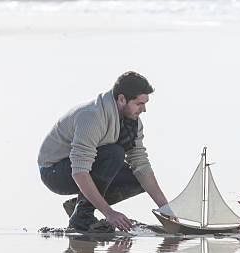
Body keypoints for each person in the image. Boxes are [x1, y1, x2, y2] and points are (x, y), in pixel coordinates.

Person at [38, 71, 173, 232]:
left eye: (145, 103)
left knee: (138, 179)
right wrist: (109, 213)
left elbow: (141, 165)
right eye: (139, 103)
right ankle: (82, 216)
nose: (144, 110)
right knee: (114, 153)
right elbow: (79, 171)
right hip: (54, 172)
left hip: (83, 168)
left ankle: (79, 206)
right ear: (122, 99)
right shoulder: (92, 117)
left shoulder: (133, 123)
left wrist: (167, 212)